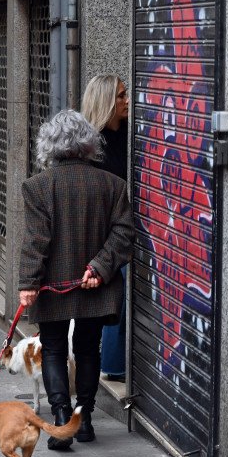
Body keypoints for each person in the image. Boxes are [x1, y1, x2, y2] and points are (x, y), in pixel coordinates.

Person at [18, 110, 134, 448]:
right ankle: (83, 422)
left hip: (54, 285)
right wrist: (99, 267)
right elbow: (125, 233)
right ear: (88, 144)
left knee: (53, 348)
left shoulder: (37, 187)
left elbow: (36, 241)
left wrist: (28, 283)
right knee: (87, 348)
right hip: (95, 284)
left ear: (48, 147)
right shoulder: (113, 184)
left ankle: (60, 420)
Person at [81, 74, 129, 384]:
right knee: (115, 296)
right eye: (122, 96)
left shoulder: (128, 134)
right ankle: (112, 365)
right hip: (102, 233)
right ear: (107, 102)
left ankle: (116, 363)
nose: (127, 101)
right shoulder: (90, 148)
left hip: (124, 225)